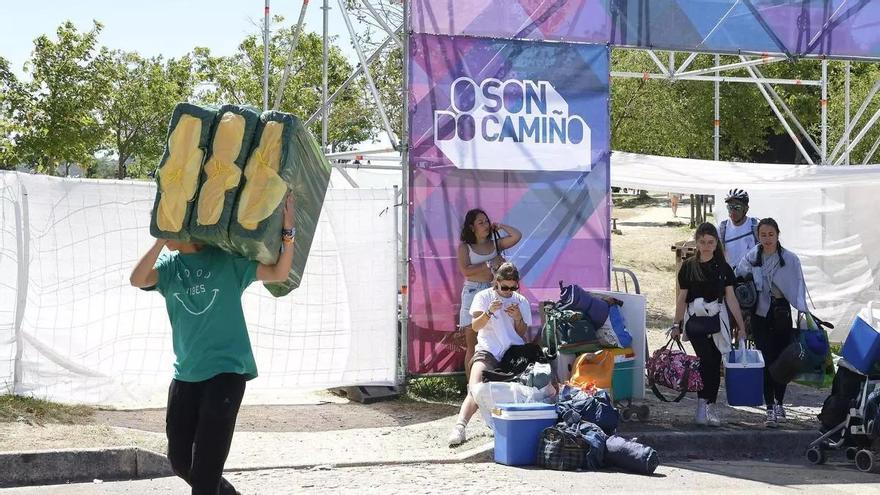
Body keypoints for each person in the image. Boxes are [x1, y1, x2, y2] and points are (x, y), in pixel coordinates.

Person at [129, 194, 296, 495]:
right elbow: (137, 279)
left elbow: (278, 273)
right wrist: (158, 241)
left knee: (206, 469)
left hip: (226, 373)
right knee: (180, 461)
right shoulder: (169, 267)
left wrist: (288, 231)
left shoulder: (226, 262)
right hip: (186, 375)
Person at [447, 262, 532, 446]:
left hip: (513, 353)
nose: (509, 291)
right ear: (496, 282)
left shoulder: (521, 301)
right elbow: (476, 327)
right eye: (505, 287)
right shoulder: (483, 296)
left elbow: (521, 333)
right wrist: (488, 312)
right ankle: (460, 427)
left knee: (525, 387)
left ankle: (510, 425)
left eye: (513, 287)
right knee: (475, 385)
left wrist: (518, 318)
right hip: (488, 350)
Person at [735, 218, 808, 428]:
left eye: (770, 235)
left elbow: (798, 287)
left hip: (782, 313)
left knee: (783, 360)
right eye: (763, 235)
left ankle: (779, 403)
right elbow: (740, 279)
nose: (767, 239)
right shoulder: (751, 257)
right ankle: (769, 407)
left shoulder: (790, 259)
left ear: (777, 235)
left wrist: (803, 312)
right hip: (759, 315)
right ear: (758, 236)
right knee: (766, 360)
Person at [670, 222, 746, 427]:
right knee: (706, 361)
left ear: (716, 244)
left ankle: (709, 406)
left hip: (717, 321)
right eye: (702, 242)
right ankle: (702, 406)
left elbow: (731, 298)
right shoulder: (688, 267)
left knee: (714, 363)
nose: (706, 246)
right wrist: (676, 324)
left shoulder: (723, 268)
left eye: (710, 242)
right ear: (697, 242)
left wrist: (741, 326)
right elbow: (682, 298)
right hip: (695, 321)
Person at [457, 209, 522, 378]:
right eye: (481, 223)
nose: (485, 225)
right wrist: (489, 263)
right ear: (472, 227)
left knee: (495, 338)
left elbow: (516, 236)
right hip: (473, 291)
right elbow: (466, 270)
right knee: (472, 343)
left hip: (495, 291)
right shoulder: (465, 247)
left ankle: (494, 380)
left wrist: (500, 226)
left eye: (487, 221)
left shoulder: (495, 243)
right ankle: (471, 386)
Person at [718, 188, 758, 268]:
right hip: (730, 277)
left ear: (746, 209)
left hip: (751, 277)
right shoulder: (722, 228)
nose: (732, 211)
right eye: (730, 207)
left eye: (737, 207)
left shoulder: (756, 227)